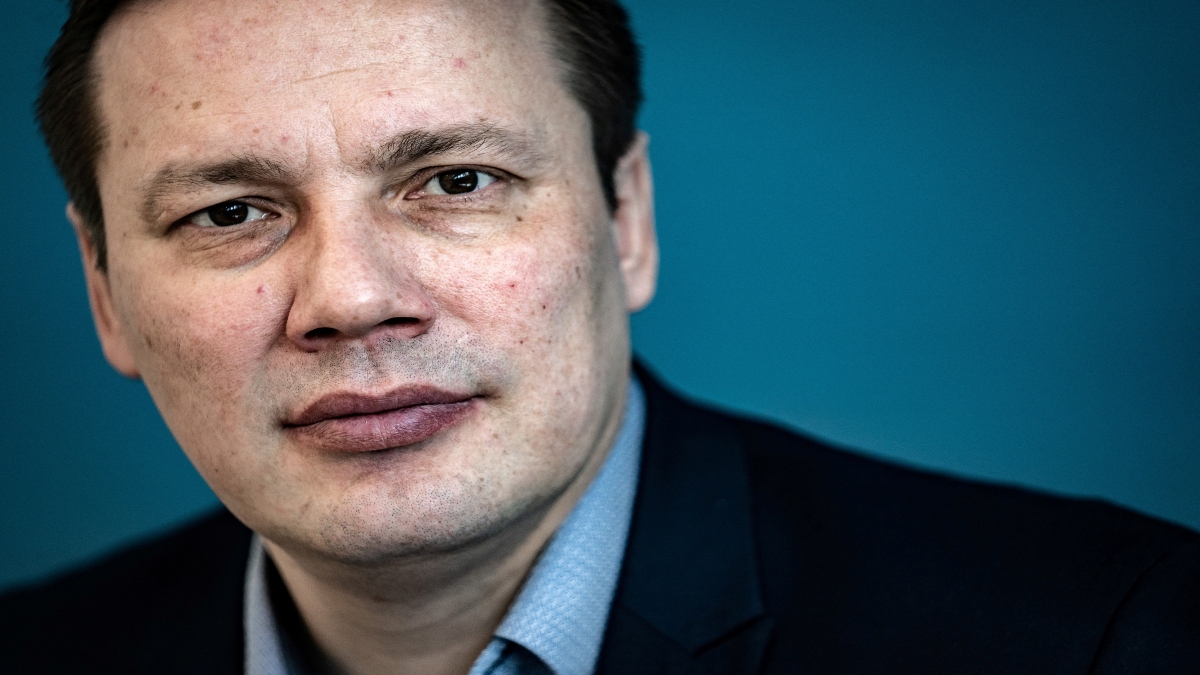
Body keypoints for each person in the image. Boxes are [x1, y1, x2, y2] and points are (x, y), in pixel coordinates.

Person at [1, 0, 1197, 672]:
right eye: (230, 213)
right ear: (105, 291)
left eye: (456, 181)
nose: (352, 300)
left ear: (627, 220)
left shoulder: (1098, 639)